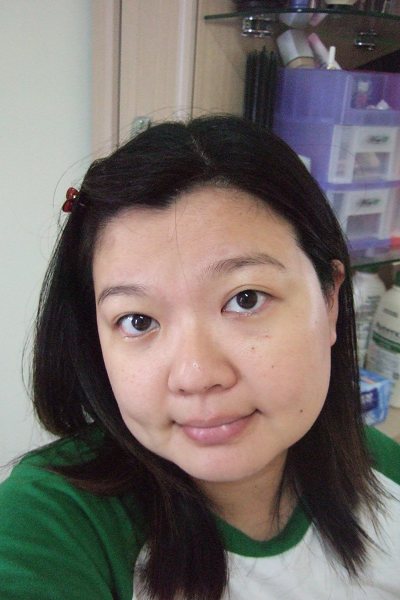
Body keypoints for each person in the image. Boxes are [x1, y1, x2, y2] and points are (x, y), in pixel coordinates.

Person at [0, 115, 399, 600]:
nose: (196, 376)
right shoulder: (53, 521)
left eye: (246, 299)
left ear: (330, 299)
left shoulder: (381, 468)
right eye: (138, 321)